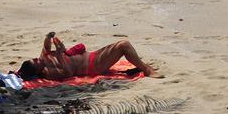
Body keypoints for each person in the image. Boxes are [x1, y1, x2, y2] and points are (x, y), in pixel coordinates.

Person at [16, 32, 161, 80]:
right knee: (124, 45)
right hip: (92, 66)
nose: (38, 59)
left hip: (92, 55)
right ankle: (146, 70)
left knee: (122, 45)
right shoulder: (48, 72)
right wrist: (60, 54)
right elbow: (68, 72)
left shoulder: (44, 57)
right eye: (36, 62)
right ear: (38, 70)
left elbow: (46, 46)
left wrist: (49, 37)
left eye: (35, 59)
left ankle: (142, 66)